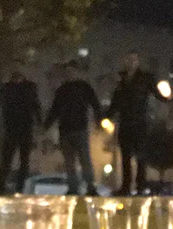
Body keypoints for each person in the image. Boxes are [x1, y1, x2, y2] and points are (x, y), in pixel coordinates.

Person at [45, 62, 102, 196]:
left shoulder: (84, 87)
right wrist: (46, 125)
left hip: (80, 128)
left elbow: (95, 104)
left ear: (77, 72)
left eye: (71, 71)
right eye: (67, 72)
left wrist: (99, 119)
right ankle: (73, 188)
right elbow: (55, 109)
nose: (69, 74)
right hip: (65, 130)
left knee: (84, 160)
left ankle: (90, 187)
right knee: (69, 161)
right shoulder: (62, 90)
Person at [106, 53, 159, 195]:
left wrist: (167, 96)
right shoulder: (122, 79)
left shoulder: (145, 78)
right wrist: (107, 116)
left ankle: (140, 186)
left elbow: (156, 93)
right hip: (125, 122)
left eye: (133, 60)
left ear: (137, 62)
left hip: (140, 122)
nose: (130, 62)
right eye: (128, 59)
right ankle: (126, 186)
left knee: (141, 156)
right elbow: (116, 100)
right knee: (125, 157)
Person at [0, 69, 41, 195]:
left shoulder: (28, 87)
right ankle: (2, 186)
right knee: (8, 159)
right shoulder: (8, 88)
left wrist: (40, 123)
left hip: (23, 127)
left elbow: (36, 105)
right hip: (13, 128)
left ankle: (18, 187)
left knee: (21, 160)